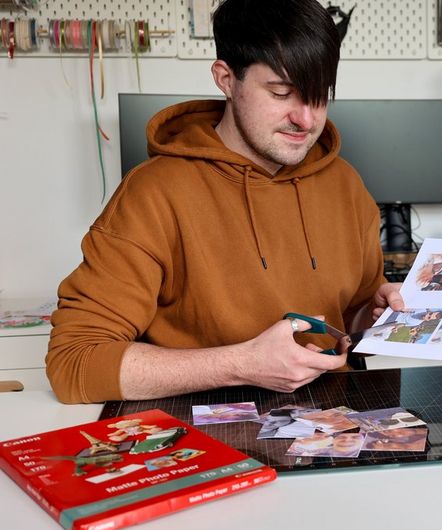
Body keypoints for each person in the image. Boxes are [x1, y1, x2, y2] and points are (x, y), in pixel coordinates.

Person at [44, 0, 404, 404]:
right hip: (203, 437)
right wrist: (241, 363)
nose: (306, 120)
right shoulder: (154, 194)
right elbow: (74, 362)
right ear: (226, 78)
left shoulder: (345, 184)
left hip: (332, 428)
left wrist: (372, 318)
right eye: (281, 93)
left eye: (319, 97)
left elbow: (350, 317)